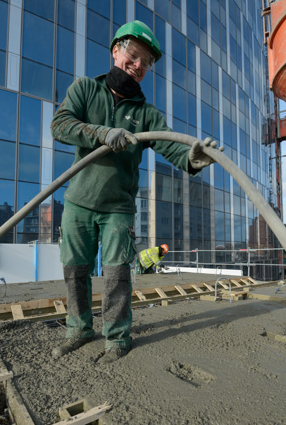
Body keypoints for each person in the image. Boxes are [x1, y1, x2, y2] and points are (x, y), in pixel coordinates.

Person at [50, 20, 223, 363]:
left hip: (118, 208)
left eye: (146, 62)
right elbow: (60, 125)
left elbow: (171, 148)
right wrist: (101, 132)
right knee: (75, 273)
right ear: (116, 50)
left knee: (116, 276)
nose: (139, 65)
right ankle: (80, 329)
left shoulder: (145, 114)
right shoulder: (86, 89)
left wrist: (194, 157)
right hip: (78, 204)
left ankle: (116, 339)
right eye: (133, 55)